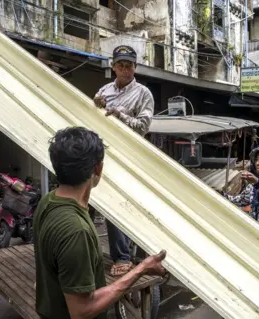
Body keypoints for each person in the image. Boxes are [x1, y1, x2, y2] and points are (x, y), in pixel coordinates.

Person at [33, 127, 166, 319]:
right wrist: (141, 269)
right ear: (98, 168)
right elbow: (82, 311)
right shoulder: (76, 230)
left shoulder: (47, 202)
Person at [93, 45, 155, 276]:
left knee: (116, 205)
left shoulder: (143, 93)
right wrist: (97, 106)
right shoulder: (104, 91)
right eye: (121, 65)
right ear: (114, 67)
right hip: (103, 154)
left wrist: (120, 116)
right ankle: (87, 251)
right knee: (88, 202)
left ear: (135, 67)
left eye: (129, 65)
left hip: (128, 158)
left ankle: (123, 257)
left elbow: (143, 127)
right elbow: (94, 116)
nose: (125, 69)